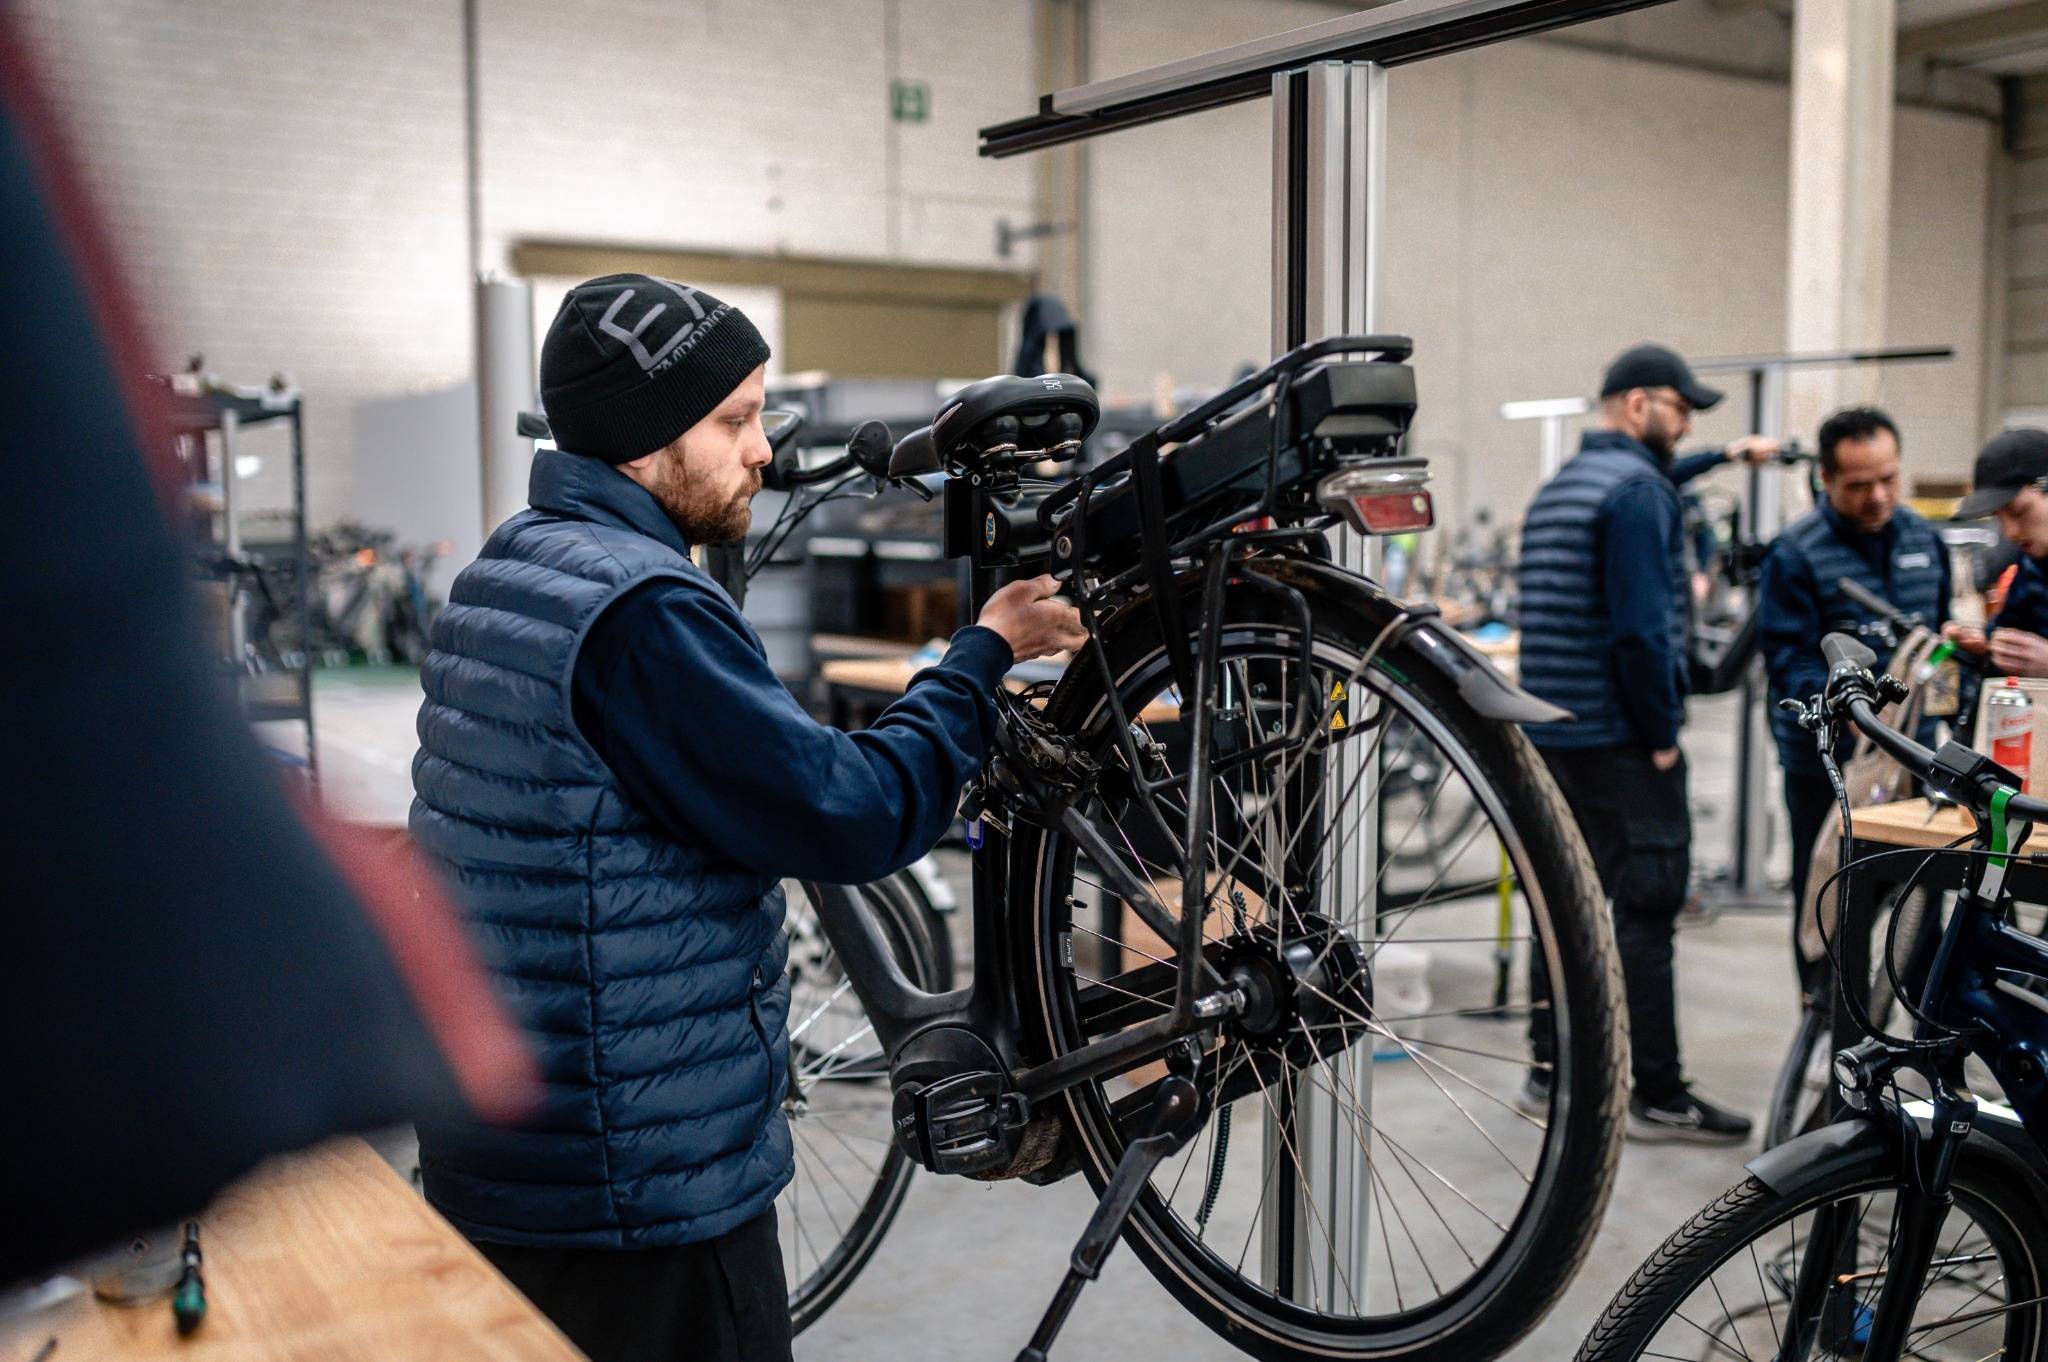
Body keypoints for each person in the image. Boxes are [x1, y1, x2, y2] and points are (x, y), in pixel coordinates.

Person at [408, 274, 1087, 1362]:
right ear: (641, 442)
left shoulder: (510, 571)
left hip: (505, 1159)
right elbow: (852, 813)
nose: (761, 450)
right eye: (733, 421)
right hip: (640, 1192)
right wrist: (981, 655)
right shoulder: (643, 615)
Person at [1517, 342, 1775, 1144]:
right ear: (1637, 405)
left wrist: (1721, 457)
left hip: (1556, 734)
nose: (1687, 422)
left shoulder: (1567, 485)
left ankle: (1549, 1070)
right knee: (1649, 905)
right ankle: (1656, 1094)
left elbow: (1658, 482)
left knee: (1566, 902)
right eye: (1681, 408)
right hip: (1625, 739)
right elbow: (1638, 635)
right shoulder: (1637, 493)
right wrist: (1662, 735)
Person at [1759, 407, 1950, 986]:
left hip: (1910, 763)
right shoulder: (1795, 554)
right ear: (1825, 478)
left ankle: (1922, 1042)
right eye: (1859, 485)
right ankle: (1825, 1036)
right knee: (1831, 910)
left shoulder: (1924, 539)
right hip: (1827, 772)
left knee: (1921, 909)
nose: (1878, 496)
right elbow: (1787, 663)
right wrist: (1844, 705)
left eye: (1888, 478)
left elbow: (1935, 645)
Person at [1943, 428, 2048, 676]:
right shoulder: (2033, 566)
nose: (2010, 532)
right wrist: (1985, 645)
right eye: (1998, 517)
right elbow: (2013, 629)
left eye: (2019, 511)